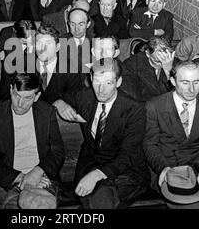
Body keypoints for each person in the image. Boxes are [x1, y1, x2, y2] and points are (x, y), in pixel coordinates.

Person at [53, 58, 149, 208]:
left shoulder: (134, 109)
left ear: (118, 82)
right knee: (96, 195)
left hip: (125, 171)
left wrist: (97, 175)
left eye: (108, 83)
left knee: (99, 195)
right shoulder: (84, 96)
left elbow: (127, 155)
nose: (101, 89)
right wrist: (59, 103)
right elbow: (50, 95)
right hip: (90, 163)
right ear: (91, 79)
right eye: (97, 81)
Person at [0, 72, 65, 209]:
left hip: (42, 180)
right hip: (8, 182)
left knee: (39, 206)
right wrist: (20, 178)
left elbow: (58, 153)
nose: (20, 103)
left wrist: (38, 171)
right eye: (17, 95)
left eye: (27, 98)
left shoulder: (47, 113)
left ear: (37, 97)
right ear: (11, 90)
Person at [143, 61, 199, 208]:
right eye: (185, 82)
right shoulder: (154, 106)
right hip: (167, 168)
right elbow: (150, 145)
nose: (192, 89)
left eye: (196, 82)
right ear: (172, 81)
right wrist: (164, 169)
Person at [35, 25, 83, 104]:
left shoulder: (71, 71)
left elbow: (75, 101)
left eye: (48, 43)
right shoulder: (25, 66)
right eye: (39, 43)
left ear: (57, 47)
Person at [120, 37, 175, 102]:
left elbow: (178, 94)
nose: (163, 64)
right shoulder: (131, 65)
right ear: (147, 53)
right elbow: (130, 96)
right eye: (158, 61)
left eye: (165, 60)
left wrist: (168, 72)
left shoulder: (174, 63)